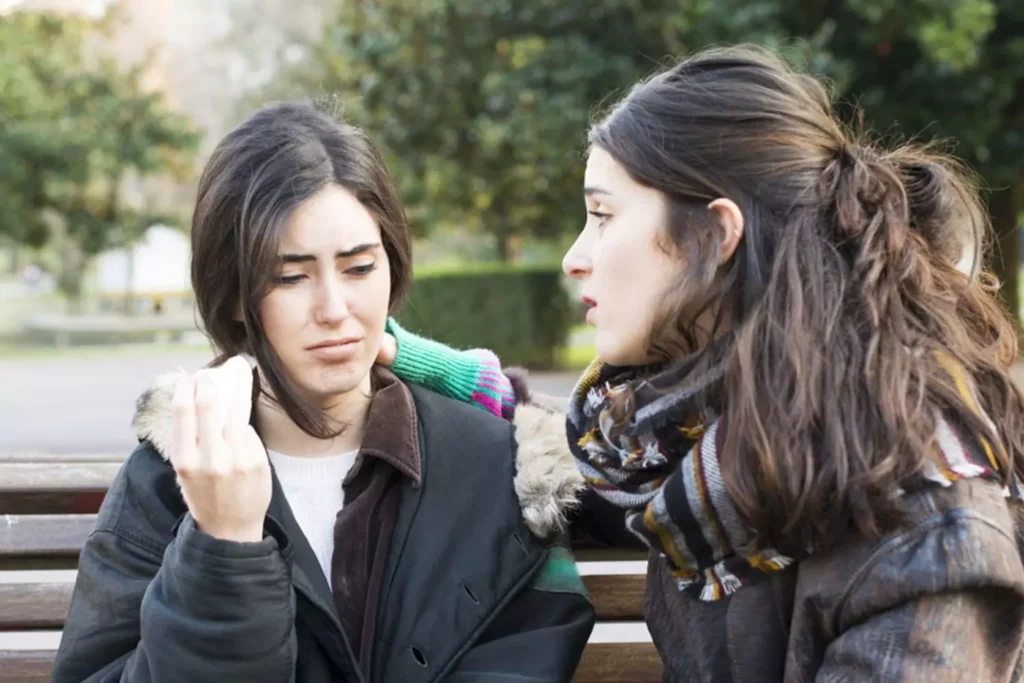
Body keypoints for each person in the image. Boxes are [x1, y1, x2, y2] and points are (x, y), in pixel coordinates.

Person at [377, 45, 1024, 682]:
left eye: (602, 214)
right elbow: (573, 477)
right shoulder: (691, 438)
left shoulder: (928, 525)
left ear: (716, 237)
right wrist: (441, 373)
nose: (575, 256)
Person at [51, 101, 594, 683]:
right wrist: (225, 548)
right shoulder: (164, 482)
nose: (335, 310)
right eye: (290, 276)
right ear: (233, 292)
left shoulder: (492, 466)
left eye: (360, 268)